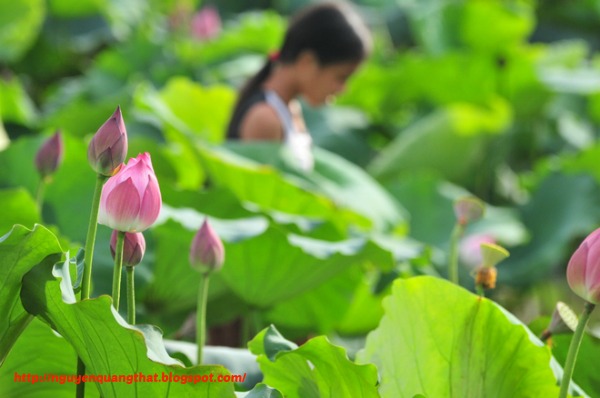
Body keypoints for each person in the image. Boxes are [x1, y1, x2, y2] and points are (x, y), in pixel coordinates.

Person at [226, 1, 372, 170]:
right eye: (341, 78)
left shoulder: (290, 108)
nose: (342, 89)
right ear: (307, 62)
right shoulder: (265, 118)